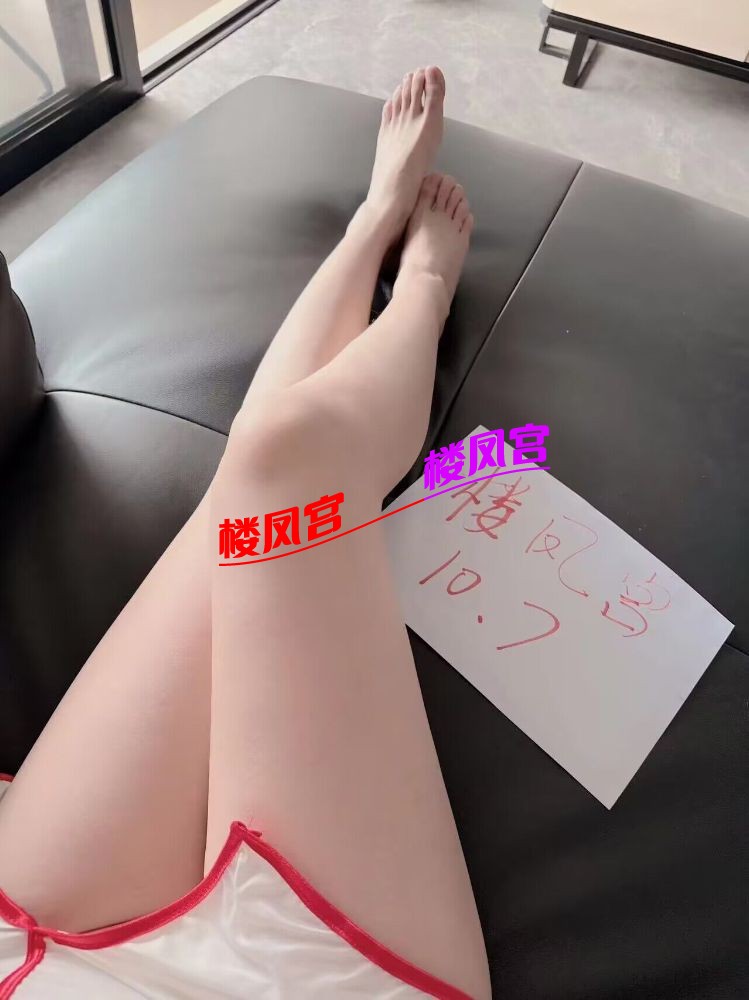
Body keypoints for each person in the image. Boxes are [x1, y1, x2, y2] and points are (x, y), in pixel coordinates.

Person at [0, 66, 491, 999]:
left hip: (25, 940)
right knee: (285, 454)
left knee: (247, 489)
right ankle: (422, 287)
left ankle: (371, 225)